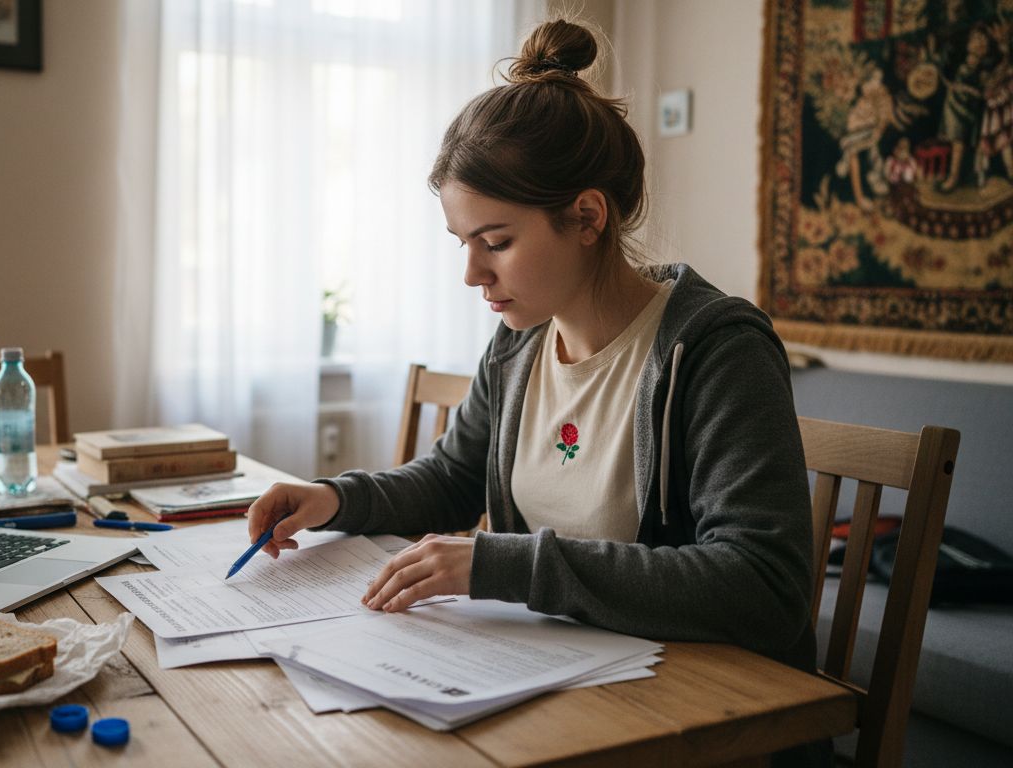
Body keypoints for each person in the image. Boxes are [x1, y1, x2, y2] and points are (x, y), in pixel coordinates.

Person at [247, 19, 819, 761]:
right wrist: (333, 499)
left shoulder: (717, 348)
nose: (472, 275)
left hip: (696, 720)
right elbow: (454, 476)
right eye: (464, 244)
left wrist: (500, 564)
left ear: (587, 216)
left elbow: (763, 584)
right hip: (559, 684)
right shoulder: (521, 341)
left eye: (497, 242)